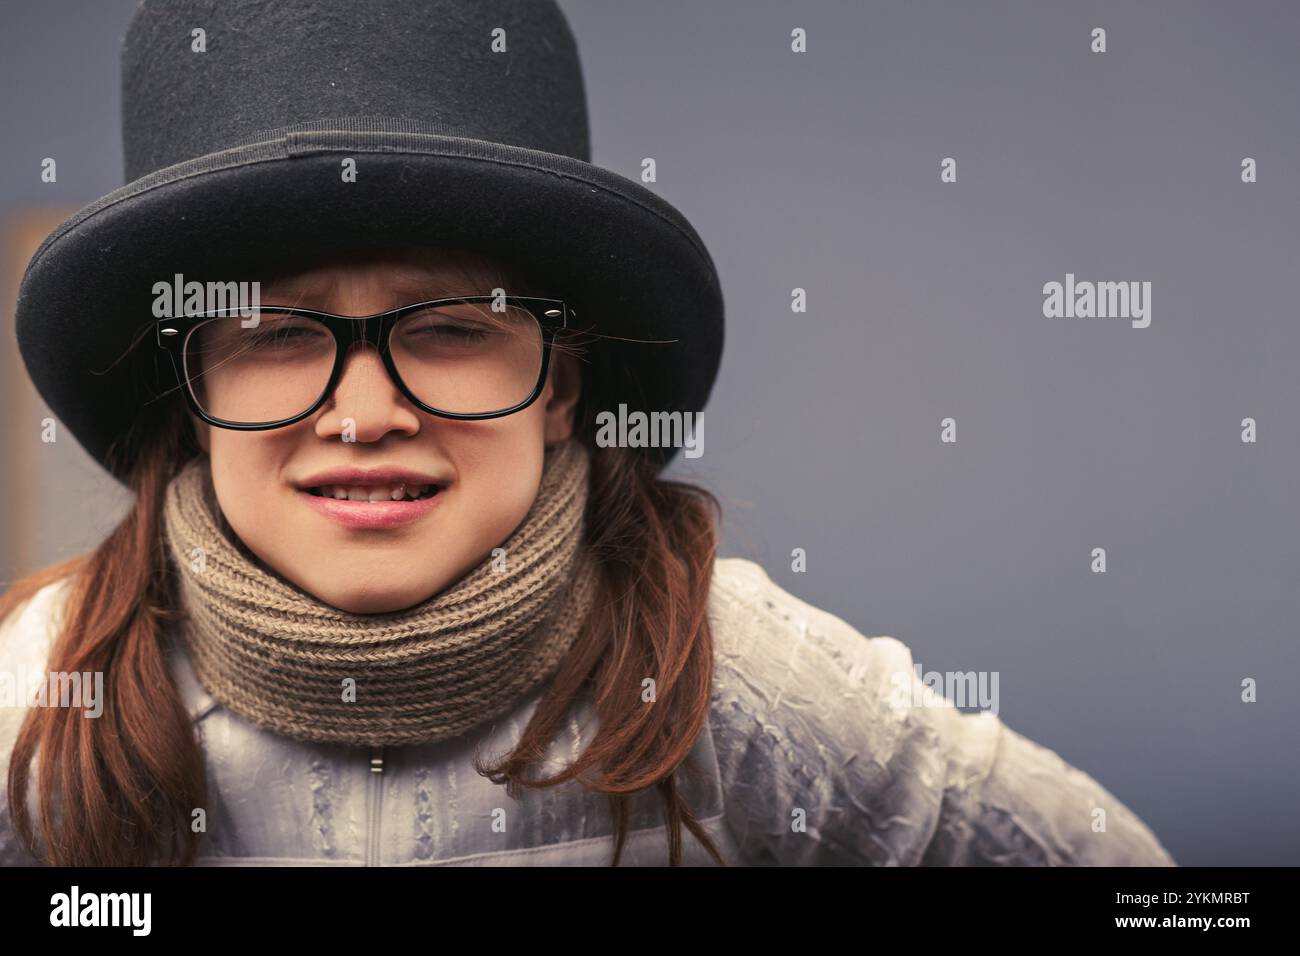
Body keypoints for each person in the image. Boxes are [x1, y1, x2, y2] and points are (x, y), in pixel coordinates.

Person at [0, 0, 1175, 867]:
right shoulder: (33, 706)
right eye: (273, 336)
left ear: (562, 383)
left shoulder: (738, 677)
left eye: (454, 329)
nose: (361, 415)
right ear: (185, 396)